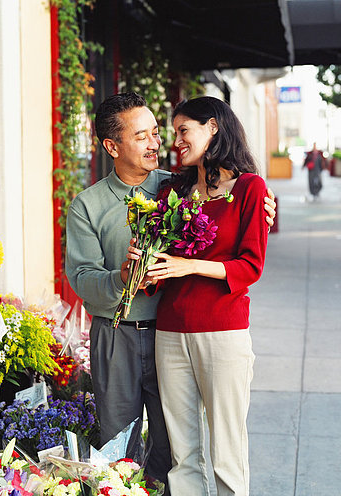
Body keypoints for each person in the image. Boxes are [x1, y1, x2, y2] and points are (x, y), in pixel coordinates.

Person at [65, 92, 276, 494]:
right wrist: (122, 278)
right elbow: (82, 277)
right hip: (123, 333)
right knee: (122, 440)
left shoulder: (175, 187)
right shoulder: (88, 205)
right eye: (142, 135)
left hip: (178, 327)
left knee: (177, 446)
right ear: (113, 146)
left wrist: (263, 207)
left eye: (158, 133)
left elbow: (233, 211)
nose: (158, 143)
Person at [139, 96, 269, 496]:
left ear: (212, 126)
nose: (175, 141)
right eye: (173, 132)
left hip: (222, 332)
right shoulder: (173, 189)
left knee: (227, 450)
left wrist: (189, 265)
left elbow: (251, 266)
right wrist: (144, 264)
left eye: (183, 131)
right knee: (183, 452)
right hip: (171, 332)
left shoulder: (249, 188)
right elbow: (159, 267)